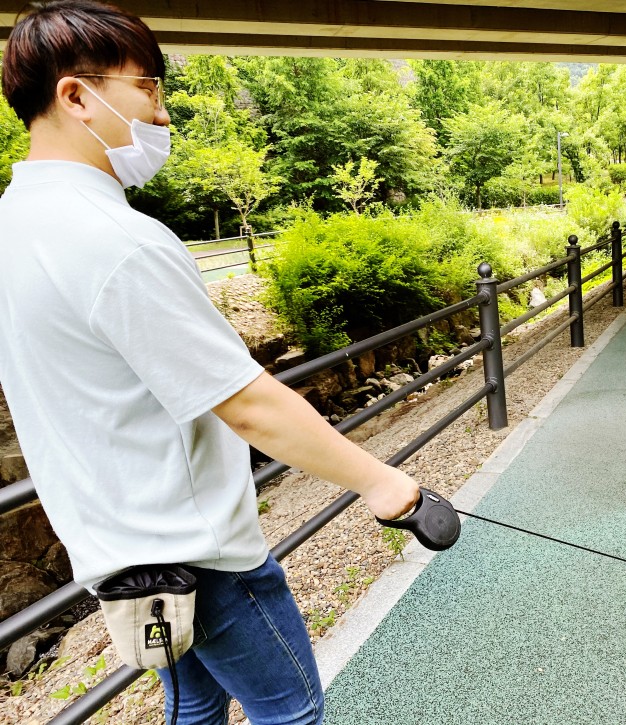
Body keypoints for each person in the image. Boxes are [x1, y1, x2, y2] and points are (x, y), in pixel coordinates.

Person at [0, 2, 420, 723]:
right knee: (291, 710)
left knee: (193, 706)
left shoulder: (15, 223)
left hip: (115, 549)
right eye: (148, 89)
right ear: (76, 95)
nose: (161, 115)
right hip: (199, 556)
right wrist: (381, 481)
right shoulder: (116, 239)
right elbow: (247, 401)